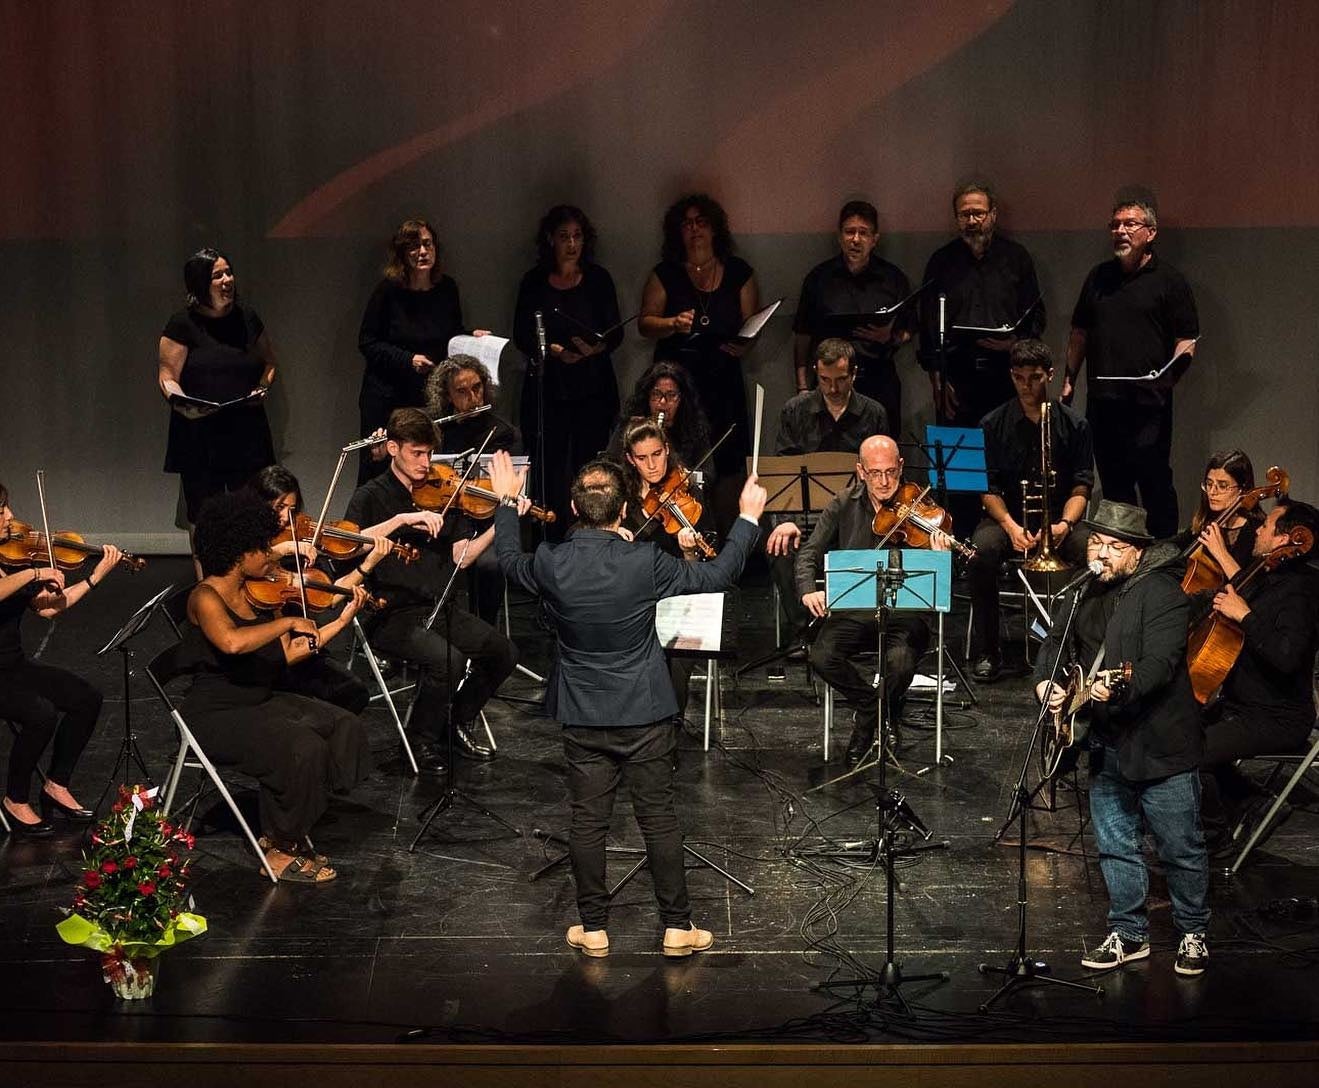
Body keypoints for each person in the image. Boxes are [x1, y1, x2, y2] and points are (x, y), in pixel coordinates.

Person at [489, 449, 766, 957]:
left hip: (583, 711)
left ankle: (593, 928)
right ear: (623, 513)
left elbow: (508, 561)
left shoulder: (551, 561)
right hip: (645, 710)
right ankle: (677, 928)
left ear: (575, 511)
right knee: (658, 818)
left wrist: (508, 500)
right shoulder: (645, 561)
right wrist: (748, 517)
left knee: (587, 821)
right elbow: (716, 575)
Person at [1033, 499, 1209, 976]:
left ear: (1136, 552)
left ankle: (1193, 931)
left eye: (1113, 546)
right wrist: (1046, 681)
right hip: (1105, 741)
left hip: (1161, 743)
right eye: (1096, 542)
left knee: (1179, 847)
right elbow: (1054, 643)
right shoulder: (1080, 592)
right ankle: (1129, 933)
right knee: (1114, 844)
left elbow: (1160, 664)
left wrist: (1120, 685)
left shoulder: (1163, 593)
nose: (1101, 553)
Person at [182, 491, 374, 884]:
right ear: (239, 553)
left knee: (342, 725)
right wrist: (286, 622)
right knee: (302, 748)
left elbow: (286, 656)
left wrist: (340, 619)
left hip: (259, 700)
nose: (272, 557)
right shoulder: (205, 596)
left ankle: (293, 816)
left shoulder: (262, 594)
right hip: (215, 714)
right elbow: (232, 642)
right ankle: (279, 851)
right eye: (264, 550)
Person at [345, 408, 520, 770]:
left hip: (439, 607)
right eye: (417, 453)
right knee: (448, 661)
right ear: (393, 448)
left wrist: (503, 518)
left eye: (429, 454)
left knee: (503, 652)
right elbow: (349, 543)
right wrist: (400, 520)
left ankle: (451, 723)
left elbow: (464, 556)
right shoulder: (371, 496)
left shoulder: (443, 493)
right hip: (390, 612)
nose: (426, 463)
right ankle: (420, 741)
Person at [795, 435, 946, 766]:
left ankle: (865, 726)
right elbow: (809, 552)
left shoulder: (919, 504)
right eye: (875, 473)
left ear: (901, 467)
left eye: (891, 472)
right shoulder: (843, 503)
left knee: (901, 663)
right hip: (855, 609)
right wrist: (809, 588)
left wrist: (940, 559)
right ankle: (875, 710)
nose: (884, 481)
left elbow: (940, 581)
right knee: (821, 656)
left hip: (905, 613)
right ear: (860, 470)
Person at [1064, 193, 1200, 539]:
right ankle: (1122, 557)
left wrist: (1167, 380)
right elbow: (1079, 332)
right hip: (1104, 399)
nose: (1120, 231)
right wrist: (1069, 380)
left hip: (1149, 402)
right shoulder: (1098, 277)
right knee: (1113, 482)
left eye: (1130, 224)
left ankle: (1163, 555)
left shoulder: (1169, 280)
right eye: (1115, 225)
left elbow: (1187, 340)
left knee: (1154, 479)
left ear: (1150, 233)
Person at [0, 481, 124, 834]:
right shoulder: (21, 569)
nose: (10, 516)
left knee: (86, 697)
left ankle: (56, 784)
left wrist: (95, 577)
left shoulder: (10, 558)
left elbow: (49, 609)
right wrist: (36, 573)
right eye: (1, 510)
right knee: (41, 713)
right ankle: (15, 799)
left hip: (12, 665)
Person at [966, 340, 1093, 680]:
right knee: (981, 554)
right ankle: (988, 651)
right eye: (1019, 378)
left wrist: (1064, 525)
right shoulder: (992, 424)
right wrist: (1009, 526)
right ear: (1011, 376)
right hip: (1009, 519)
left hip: (1059, 520)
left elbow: (1082, 486)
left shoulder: (1073, 424)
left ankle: (1080, 647)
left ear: (1049, 376)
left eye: (1035, 378)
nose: (1027, 386)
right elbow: (986, 489)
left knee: (1092, 552)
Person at [1198, 500, 1319, 841]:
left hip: (1278, 717)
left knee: (1192, 754)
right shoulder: (1270, 573)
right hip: (1243, 707)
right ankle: (1251, 801)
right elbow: (1247, 593)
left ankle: (1215, 838)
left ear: (1285, 539)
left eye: (1267, 525)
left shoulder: (1300, 592)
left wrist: (1244, 616)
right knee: (1173, 733)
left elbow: (1286, 658)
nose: (1260, 529)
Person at [640, 194, 760, 530]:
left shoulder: (738, 272)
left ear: (715, 229)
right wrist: (672, 324)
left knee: (728, 460)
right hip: (678, 379)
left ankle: (724, 537)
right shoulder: (666, 273)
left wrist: (745, 344)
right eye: (687, 224)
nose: (694, 230)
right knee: (679, 454)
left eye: (701, 222)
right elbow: (645, 322)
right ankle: (681, 530)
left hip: (723, 378)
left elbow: (752, 324)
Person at [158, 247, 277, 568]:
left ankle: (250, 580)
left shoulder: (247, 317)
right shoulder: (183, 323)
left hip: (245, 427)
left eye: (229, 272)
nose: (227, 280)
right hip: (199, 429)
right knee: (203, 511)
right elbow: (167, 377)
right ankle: (207, 584)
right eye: (217, 275)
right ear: (199, 284)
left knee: (252, 506)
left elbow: (268, 363)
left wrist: (263, 387)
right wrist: (182, 403)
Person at [244, 465, 396, 715]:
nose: (284, 519)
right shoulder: (247, 543)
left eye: (291, 510)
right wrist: (284, 549)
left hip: (302, 643)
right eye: (278, 507)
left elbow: (328, 595)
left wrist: (368, 565)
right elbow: (249, 565)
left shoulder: (299, 543)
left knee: (354, 692)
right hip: (268, 652)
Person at [765, 339, 889, 639]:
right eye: (825, 380)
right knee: (780, 548)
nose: (833, 389)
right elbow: (784, 472)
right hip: (806, 514)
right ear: (815, 374)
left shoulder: (873, 412)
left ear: (854, 374)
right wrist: (786, 522)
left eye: (841, 380)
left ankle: (853, 627)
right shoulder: (795, 410)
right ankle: (806, 631)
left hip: (855, 513)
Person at [514, 206, 622, 540]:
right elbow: (522, 334)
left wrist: (594, 349)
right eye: (564, 237)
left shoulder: (599, 278)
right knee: (548, 470)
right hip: (550, 388)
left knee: (589, 466)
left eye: (577, 236)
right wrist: (554, 351)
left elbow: (616, 332)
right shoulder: (534, 282)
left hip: (592, 387)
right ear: (550, 240)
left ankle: (591, 538)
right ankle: (548, 541)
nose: (572, 244)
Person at [918, 181, 1046, 427]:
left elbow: (1037, 315)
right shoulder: (941, 262)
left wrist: (1015, 342)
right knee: (960, 456)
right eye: (965, 214)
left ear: (993, 215)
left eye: (978, 213)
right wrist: (937, 379)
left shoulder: (1016, 258)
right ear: (957, 218)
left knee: (1006, 453)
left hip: (1007, 374)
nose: (972, 221)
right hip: (956, 376)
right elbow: (928, 324)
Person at [357, 218, 466, 484]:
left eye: (427, 244)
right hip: (386, 397)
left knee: (424, 472)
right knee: (380, 472)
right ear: (402, 254)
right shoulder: (388, 291)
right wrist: (408, 360)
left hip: (427, 398)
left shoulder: (447, 289)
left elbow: (452, 335)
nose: (422, 252)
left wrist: (470, 336)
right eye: (414, 247)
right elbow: (367, 342)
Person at [793, 199, 914, 433]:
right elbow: (802, 335)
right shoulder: (819, 279)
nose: (855, 239)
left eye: (863, 233)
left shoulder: (893, 278)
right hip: (831, 384)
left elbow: (910, 329)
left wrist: (890, 337)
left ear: (875, 239)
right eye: (849, 232)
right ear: (839, 237)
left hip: (879, 379)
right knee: (830, 454)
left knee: (882, 451)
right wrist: (803, 387)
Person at [1171, 450, 1261, 620]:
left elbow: (1253, 590)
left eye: (1222, 485)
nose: (1212, 492)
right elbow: (1173, 545)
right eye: (1209, 484)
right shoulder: (1205, 523)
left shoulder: (1256, 532)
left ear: (1243, 489)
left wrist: (1220, 552)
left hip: (1231, 622)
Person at [608, 360, 712, 474]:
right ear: (647, 396)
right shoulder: (629, 426)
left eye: (671, 395)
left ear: (682, 399)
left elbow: (708, 474)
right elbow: (608, 464)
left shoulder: (694, 429)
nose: (662, 402)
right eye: (656, 394)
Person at [425, 355, 520, 456]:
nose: (473, 398)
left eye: (477, 387)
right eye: (462, 391)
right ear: (447, 395)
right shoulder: (432, 425)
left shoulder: (500, 432)